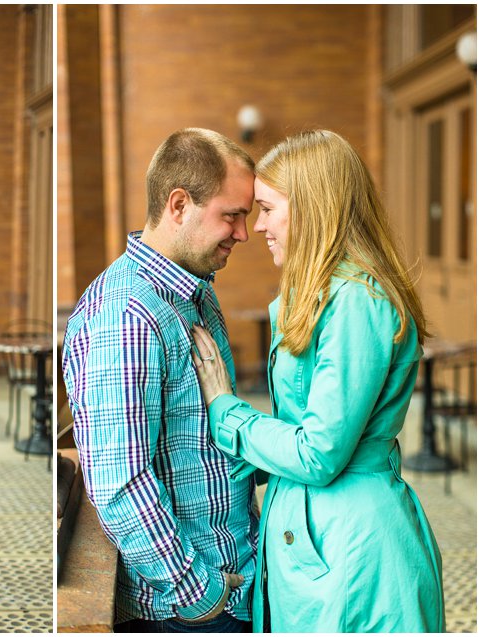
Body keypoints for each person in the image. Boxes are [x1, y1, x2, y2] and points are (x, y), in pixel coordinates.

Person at [191, 129, 445, 632]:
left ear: (311, 208)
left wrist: (226, 410)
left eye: (267, 208)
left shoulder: (356, 303)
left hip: (354, 550)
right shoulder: (327, 296)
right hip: (322, 539)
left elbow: (319, 453)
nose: (257, 227)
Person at [62, 128, 259, 632]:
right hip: (184, 613)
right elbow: (122, 482)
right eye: (232, 215)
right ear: (178, 205)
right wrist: (200, 595)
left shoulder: (193, 291)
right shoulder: (128, 314)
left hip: (233, 582)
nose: (243, 232)